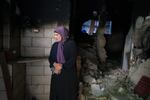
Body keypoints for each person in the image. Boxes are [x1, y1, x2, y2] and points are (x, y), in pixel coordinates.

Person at [48, 26, 78, 100]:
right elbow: (50, 58)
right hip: (56, 74)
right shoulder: (55, 45)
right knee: (56, 93)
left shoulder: (71, 44)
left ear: (63, 34)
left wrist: (61, 66)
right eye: (54, 35)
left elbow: (72, 60)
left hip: (68, 75)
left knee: (67, 94)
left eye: (57, 34)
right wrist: (54, 66)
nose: (55, 37)